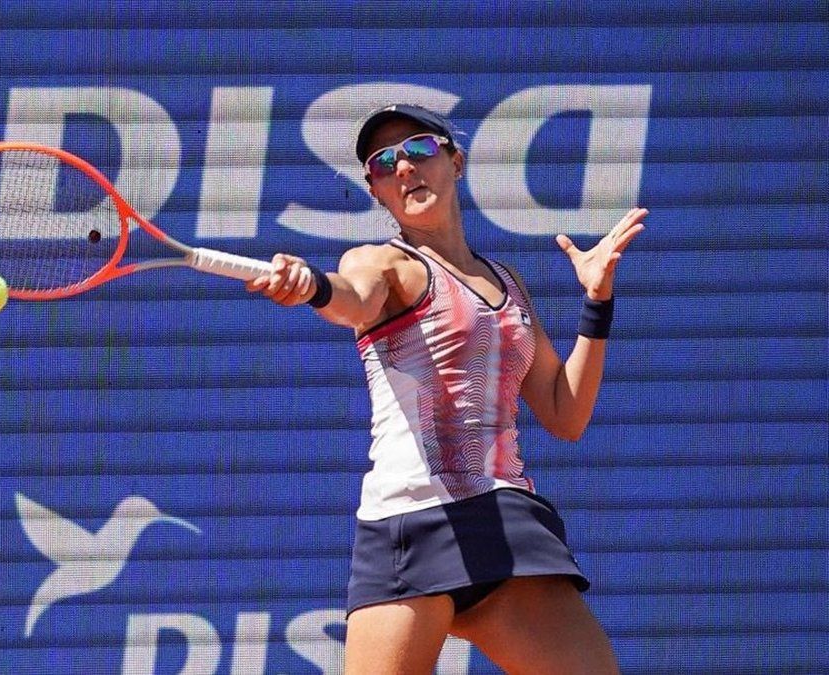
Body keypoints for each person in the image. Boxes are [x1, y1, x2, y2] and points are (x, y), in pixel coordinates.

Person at [247, 103, 645, 674]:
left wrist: (597, 302)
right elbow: (352, 298)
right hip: (413, 527)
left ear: (455, 163)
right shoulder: (382, 263)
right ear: (376, 191)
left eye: (419, 149)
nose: (404, 167)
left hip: (504, 523)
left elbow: (566, 413)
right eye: (384, 163)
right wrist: (313, 287)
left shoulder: (507, 282)